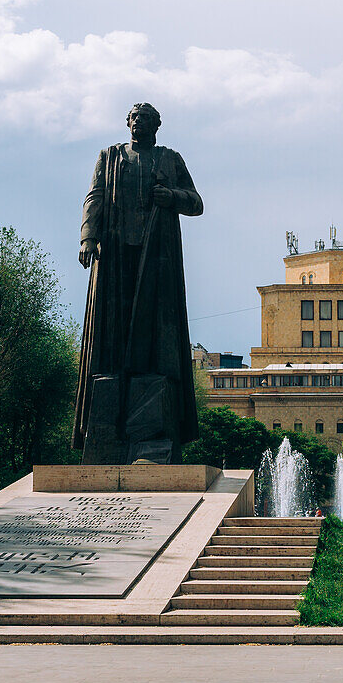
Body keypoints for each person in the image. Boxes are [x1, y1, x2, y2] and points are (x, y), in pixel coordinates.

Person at [72, 102, 204, 466]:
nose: (138, 123)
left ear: (156, 127)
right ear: (127, 123)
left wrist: (172, 197)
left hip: (156, 257)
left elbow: (196, 203)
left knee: (153, 335)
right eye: (133, 118)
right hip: (115, 255)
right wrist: (88, 238)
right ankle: (108, 431)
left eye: (145, 119)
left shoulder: (169, 159)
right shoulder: (110, 157)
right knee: (110, 334)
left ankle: (152, 428)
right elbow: (94, 197)